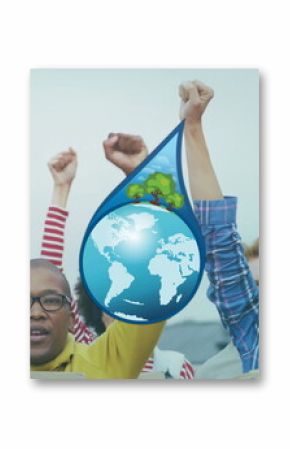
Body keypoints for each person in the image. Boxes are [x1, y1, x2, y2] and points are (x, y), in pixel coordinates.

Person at [40, 141, 195, 379]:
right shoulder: (88, 351)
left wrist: (139, 175)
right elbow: (49, 279)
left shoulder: (176, 367)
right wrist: (61, 189)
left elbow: (162, 245)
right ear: (97, 309)